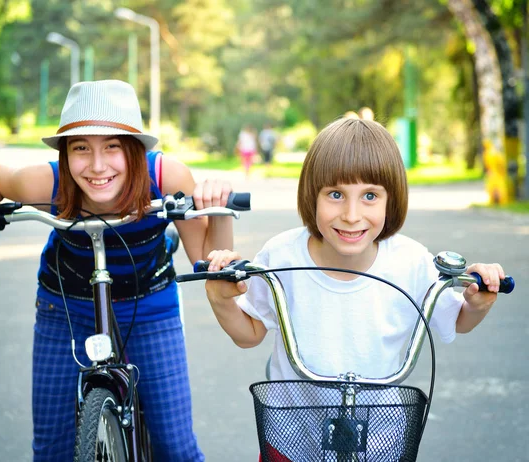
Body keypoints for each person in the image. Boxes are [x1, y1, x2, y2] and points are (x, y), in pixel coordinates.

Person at [0, 79, 235, 461]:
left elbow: (208, 260)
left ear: (135, 151)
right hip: (64, 306)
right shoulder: (48, 181)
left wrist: (216, 207)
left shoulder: (166, 177)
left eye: (112, 147)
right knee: (51, 448)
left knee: (176, 447)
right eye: (81, 148)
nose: (97, 166)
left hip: (150, 303)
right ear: (65, 154)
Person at [203, 118, 506, 459]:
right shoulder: (282, 255)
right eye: (335, 194)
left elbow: (455, 320)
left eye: (370, 196)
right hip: (291, 438)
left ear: (391, 200)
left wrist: (477, 304)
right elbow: (250, 333)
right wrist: (223, 302)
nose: (351, 214)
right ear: (311, 195)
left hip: (380, 442)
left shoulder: (411, 261)